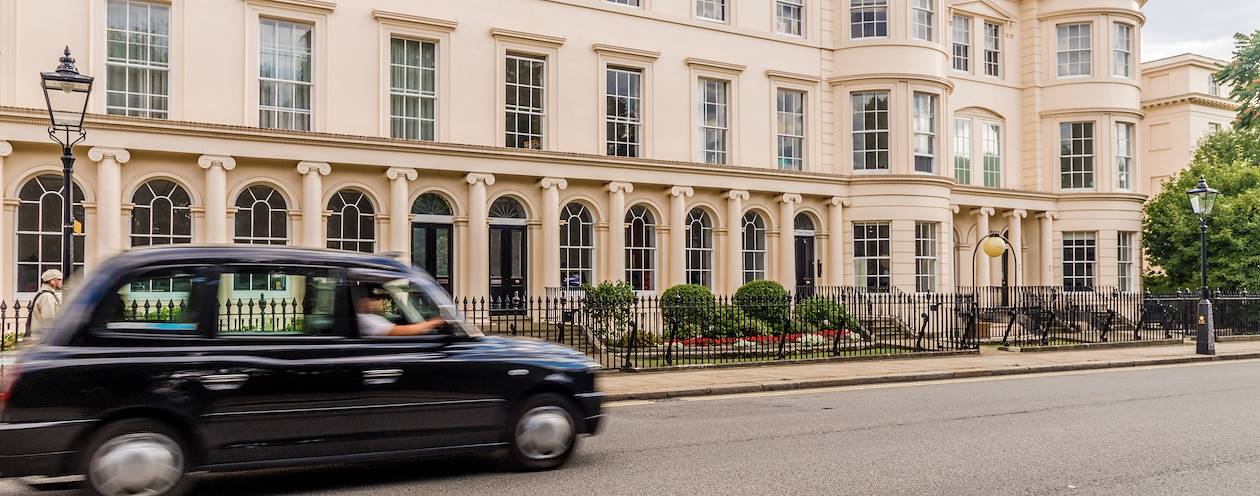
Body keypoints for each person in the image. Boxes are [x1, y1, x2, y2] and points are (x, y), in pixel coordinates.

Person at [355, 292, 445, 337]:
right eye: (372, 299)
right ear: (361, 301)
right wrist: (432, 323)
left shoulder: (371, 317)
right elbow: (398, 331)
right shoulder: (366, 319)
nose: (376, 302)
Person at [26, 269, 63, 344]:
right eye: (59, 279)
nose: (61, 282)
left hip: (40, 338)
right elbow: (49, 320)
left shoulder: (43, 293)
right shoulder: (47, 296)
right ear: (52, 281)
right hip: (43, 339)